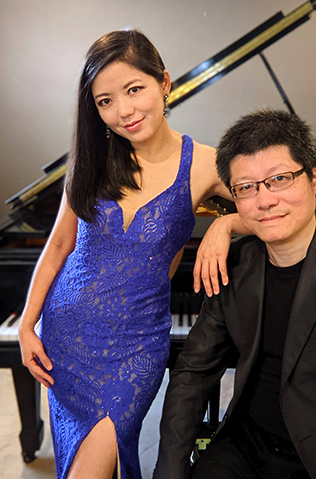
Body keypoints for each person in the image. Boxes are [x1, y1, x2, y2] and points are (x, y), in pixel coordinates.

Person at [18, 29, 247, 479]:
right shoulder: (90, 159)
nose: (123, 111)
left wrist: (226, 222)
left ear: (164, 83)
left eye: (134, 89)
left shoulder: (204, 163)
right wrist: (27, 324)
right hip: (66, 338)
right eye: (105, 101)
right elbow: (60, 246)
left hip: (135, 346)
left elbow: (272, 208)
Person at [153, 109, 316, 479]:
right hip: (245, 447)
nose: (264, 200)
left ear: (315, 178)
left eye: (279, 179)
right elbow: (193, 371)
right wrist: (170, 470)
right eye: (246, 188)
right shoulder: (236, 263)